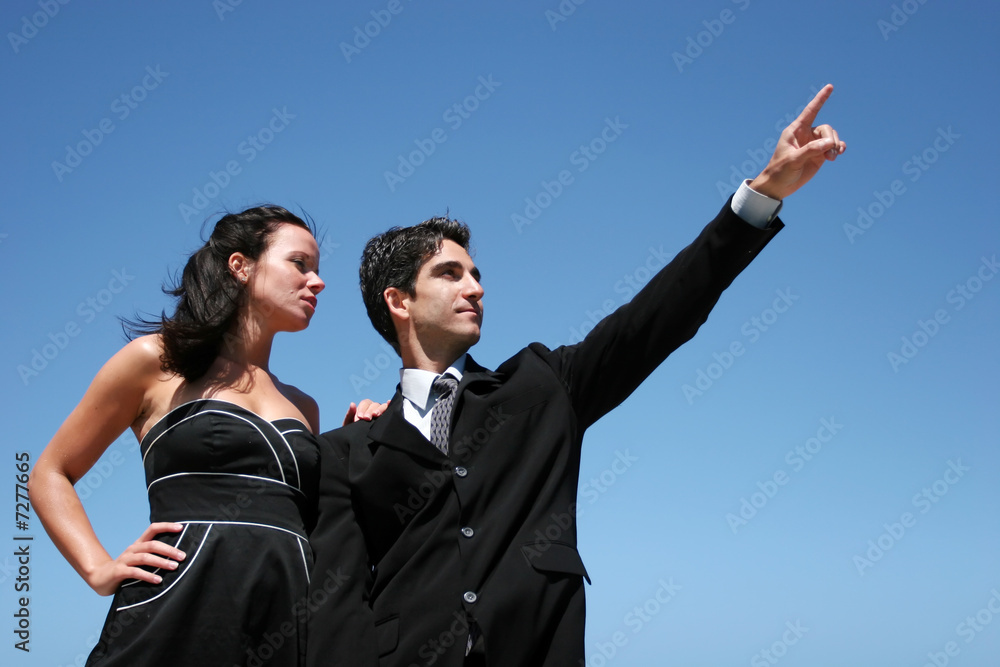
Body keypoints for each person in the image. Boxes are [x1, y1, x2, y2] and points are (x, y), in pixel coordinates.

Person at [306, 85, 846, 666]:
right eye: (450, 273)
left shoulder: (543, 386)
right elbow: (335, 607)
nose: (476, 288)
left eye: (477, 274)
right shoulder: (346, 452)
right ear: (399, 301)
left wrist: (762, 194)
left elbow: (658, 316)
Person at [30, 205, 333, 665]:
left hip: (285, 621)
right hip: (172, 611)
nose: (317, 282)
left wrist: (360, 436)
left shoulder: (305, 406)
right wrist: (98, 567)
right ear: (241, 266)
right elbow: (50, 473)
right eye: (300, 264)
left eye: (317, 269)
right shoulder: (155, 361)